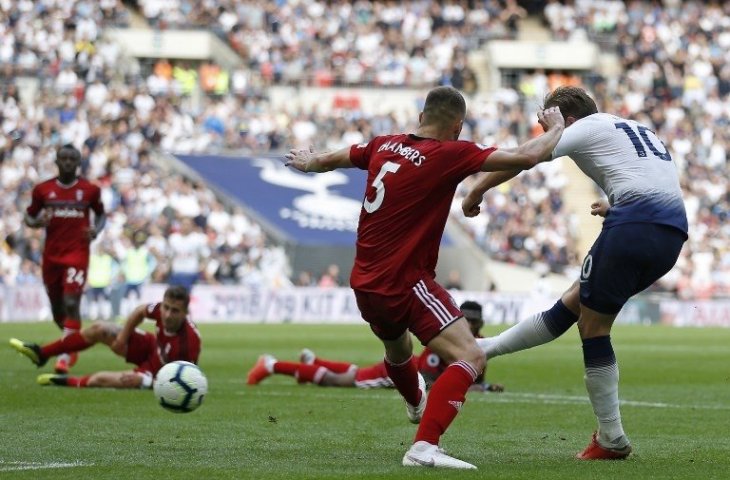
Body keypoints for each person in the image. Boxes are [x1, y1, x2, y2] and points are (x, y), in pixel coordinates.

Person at [284, 85, 566, 469]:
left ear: (420, 117)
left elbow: (338, 157)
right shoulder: (448, 153)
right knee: (471, 355)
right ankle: (424, 447)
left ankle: (416, 403)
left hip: (365, 281)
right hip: (405, 279)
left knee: (398, 352)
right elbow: (526, 156)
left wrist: (309, 161)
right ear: (458, 126)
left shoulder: (383, 145)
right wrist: (556, 126)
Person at [462, 86, 688, 460]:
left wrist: (476, 191)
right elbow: (650, 175)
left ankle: (611, 438)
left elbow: (525, 157)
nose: (543, 130)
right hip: (670, 234)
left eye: (547, 122)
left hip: (635, 225)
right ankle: (484, 349)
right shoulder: (631, 128)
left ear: (566, 119)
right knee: (574, 301)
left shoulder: (584, 127)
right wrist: (614, 203)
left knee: (593, 328)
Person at [247, 301, 505, 393]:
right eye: (466, 320)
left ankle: (313, 362)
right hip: (398, 372)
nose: (470, 326)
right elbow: (425, 378)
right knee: (339, 381)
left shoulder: (480, 343)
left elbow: (474, 379)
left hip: (399, 366)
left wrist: (482, 387)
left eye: (474, 321)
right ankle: (271, 365)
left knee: (354, 373)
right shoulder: (445, 342)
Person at [9, 285, 201, 390]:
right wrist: (122, 339)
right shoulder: (162, 309)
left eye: (174, 311)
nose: (167, 314)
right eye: (166, 307)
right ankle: (42, 353)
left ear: (185, 312)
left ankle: (67, 381)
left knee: (101, 379)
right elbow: (139, 311)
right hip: (151, 346)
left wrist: (147, 383)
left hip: (159, 372)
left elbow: (185, 380)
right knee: (99, 328)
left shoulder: (189, 342)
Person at [24, 144, 106, 374]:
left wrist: (96, 230)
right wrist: (38, 223)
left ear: (79, 163)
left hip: (77, 254)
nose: (68, 162)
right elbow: (29, 217)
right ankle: (72, 343)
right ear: (57, 162)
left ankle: (63, 356)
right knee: (58, 310)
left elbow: (101, 215)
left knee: (71, 303)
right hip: (51, 256)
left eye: (73, 159)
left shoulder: (90, 190)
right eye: (64, 158)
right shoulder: (43, 190)